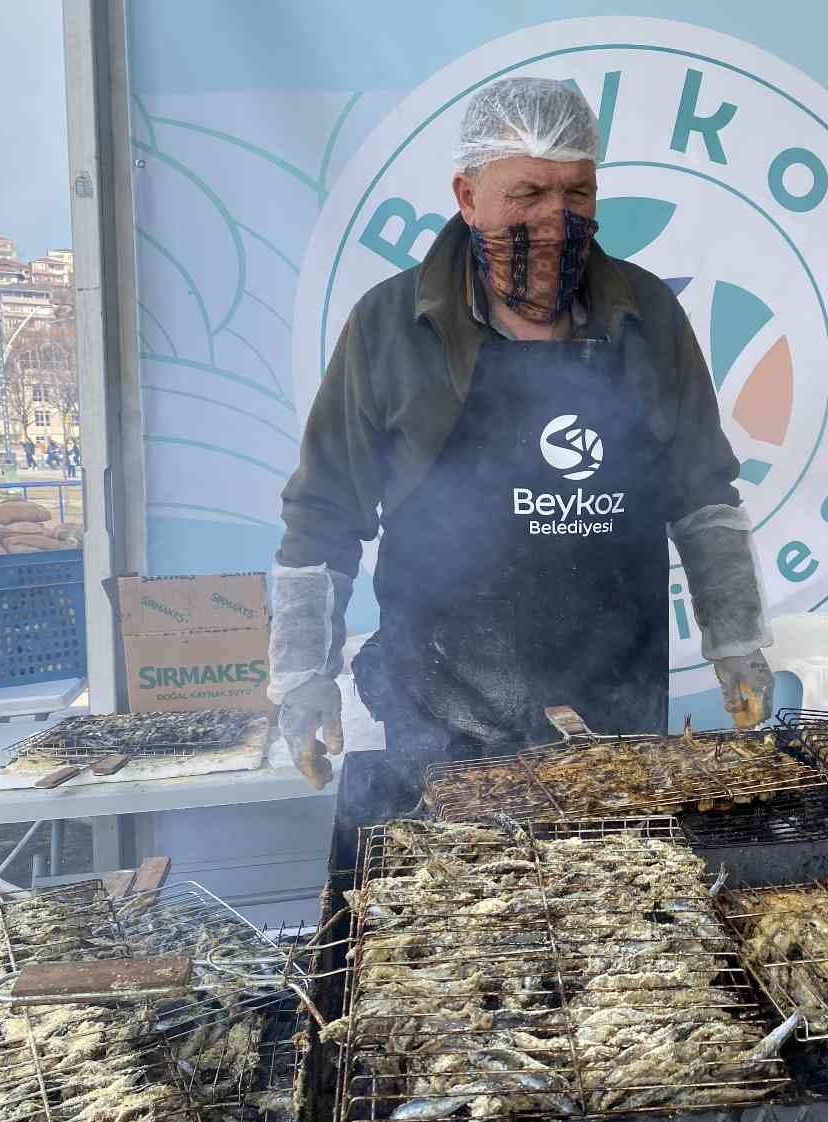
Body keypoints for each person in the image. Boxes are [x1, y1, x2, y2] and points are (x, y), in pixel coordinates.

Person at [269, 78, 775, 845]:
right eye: (528, 191)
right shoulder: (391, 328)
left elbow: (703, 494)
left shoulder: (649, 317)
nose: (554, 217)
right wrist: (305, 678)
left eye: (577, 191)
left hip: (617, 709)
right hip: (443, 712)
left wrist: (736, 639)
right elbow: (324, 513)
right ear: (468, 197)